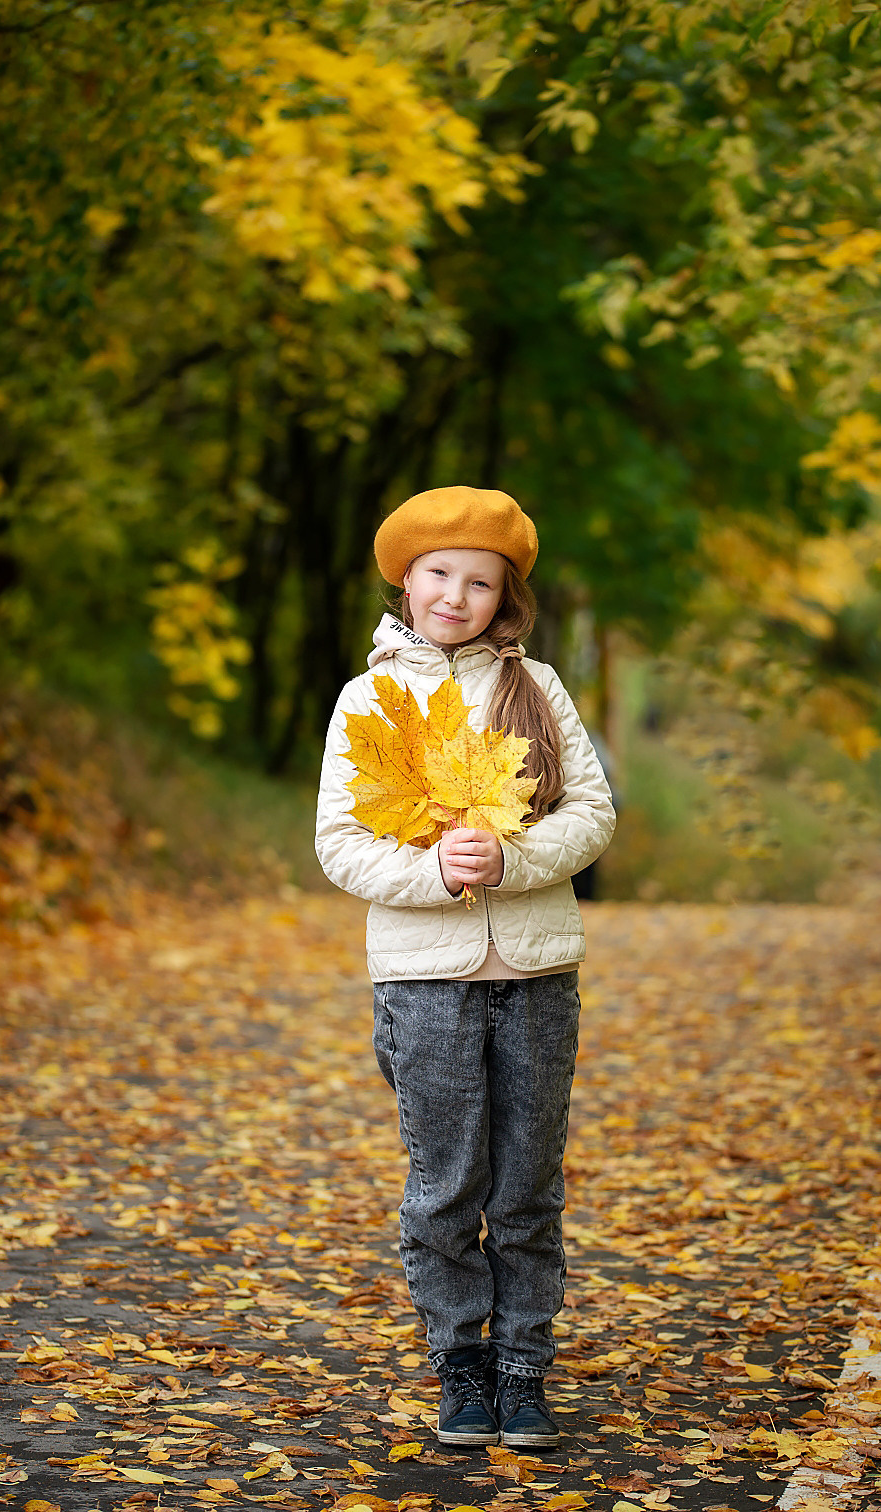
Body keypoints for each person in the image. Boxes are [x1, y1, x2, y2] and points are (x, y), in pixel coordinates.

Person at [315, 486, 616, 1449]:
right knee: (446, 1186)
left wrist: (513, 859)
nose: (457, 594)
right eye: (440, 573)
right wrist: (434, 872)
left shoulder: (540, 689)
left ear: (505, 596)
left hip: (535, 975)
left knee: (526, 1186)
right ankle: (462, 1364)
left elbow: (592, 815)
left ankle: (525, 1368)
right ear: (406, 580)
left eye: (480, 581)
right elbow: (339, 843)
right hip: (423, 981)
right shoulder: (369, 701)